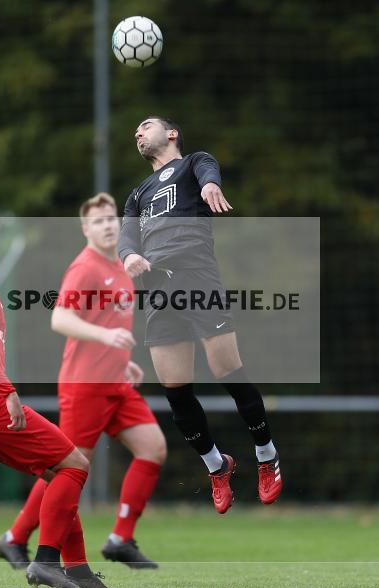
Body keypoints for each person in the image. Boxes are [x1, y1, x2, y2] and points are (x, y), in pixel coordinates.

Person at [0, 213, 110, 588]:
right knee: (75, 466)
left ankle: (77, 570)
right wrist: (7, 392)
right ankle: (46, 563)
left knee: (56, 472)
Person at [116, 116, 282, 514]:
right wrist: (130, 255)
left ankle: (266, 454)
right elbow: (126, 236)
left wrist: (210, 184)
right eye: (134, 130)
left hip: (196, 278)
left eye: (146, 126)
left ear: (171, 134)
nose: (137, 132)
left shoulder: (193, 164)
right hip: (158, 289)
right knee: (176, 393)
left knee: (227, 371)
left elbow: (209, 170)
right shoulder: (138, 193)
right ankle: (216, 465)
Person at [0, 193, 166, 570]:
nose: (108, 225)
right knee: (67, 468)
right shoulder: (84, 268)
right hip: (84, 386)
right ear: (85, 228)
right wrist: (107, 341)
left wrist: (125, 363)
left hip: (116, 383)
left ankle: (120, 538)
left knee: (153, 448)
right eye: (99, 221)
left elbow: (111, 324)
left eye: (112, 218)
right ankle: (15, 537)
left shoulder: (122, 266)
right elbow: (61, 319)